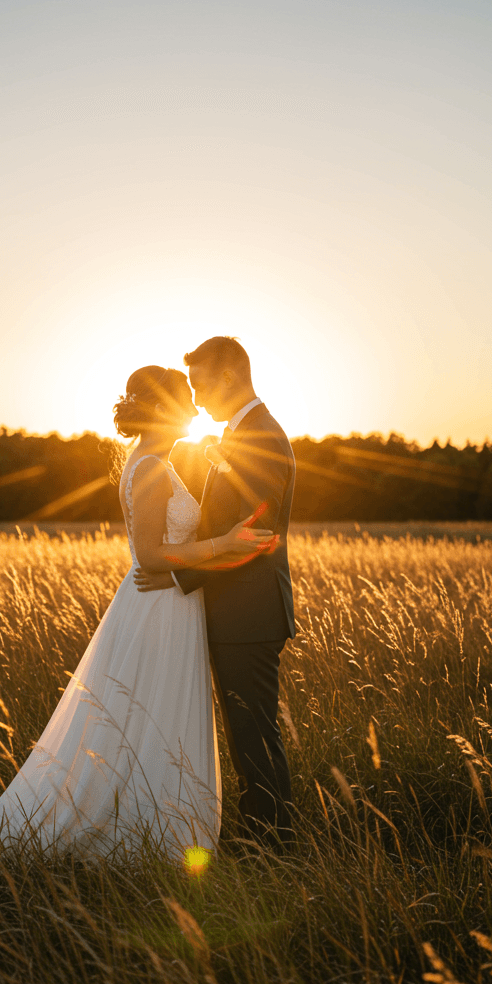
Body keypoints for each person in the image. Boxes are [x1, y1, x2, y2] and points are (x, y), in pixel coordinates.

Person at [0, 365, 275, 864]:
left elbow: (165, 550)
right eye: (185, 406)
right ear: (162, 411)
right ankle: (145, 826)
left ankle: (154, 815)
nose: (194, 415)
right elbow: (152, 557)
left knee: (152, 718)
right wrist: (226, 543)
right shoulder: (151, 468)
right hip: (159, 608)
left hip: (169, 603)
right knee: (149, 715)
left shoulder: (155, 461)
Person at [134, 337, 297, 848]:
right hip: (236, 609)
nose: (197, 398)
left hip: (249, 611)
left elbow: (254, 538)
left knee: (254, 736)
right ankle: (259, 836)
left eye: (201, 382)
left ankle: (274, 847)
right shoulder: (241, 434)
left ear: (229, 376)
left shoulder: (263, 437)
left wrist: (177, 576)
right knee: (245, 735)